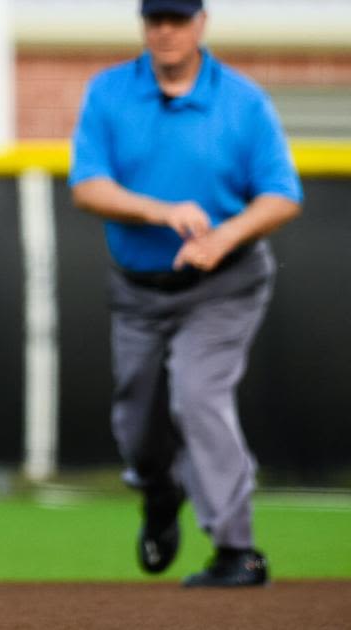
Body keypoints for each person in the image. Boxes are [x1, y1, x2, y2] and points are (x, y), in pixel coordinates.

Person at [69, 0, 301, 587]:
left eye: (178, 18)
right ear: (145, 26)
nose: (166, 31)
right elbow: (88, 185)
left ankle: (236, 549)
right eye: (156, 19)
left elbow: (280, 193)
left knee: (197, 397)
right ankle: (158, 492)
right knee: (139, 428)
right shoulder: (111, 92)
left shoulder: (242, 101)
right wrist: (161, 210)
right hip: (139, 290)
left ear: (201, 23)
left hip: (224, 283)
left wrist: (223, 236)